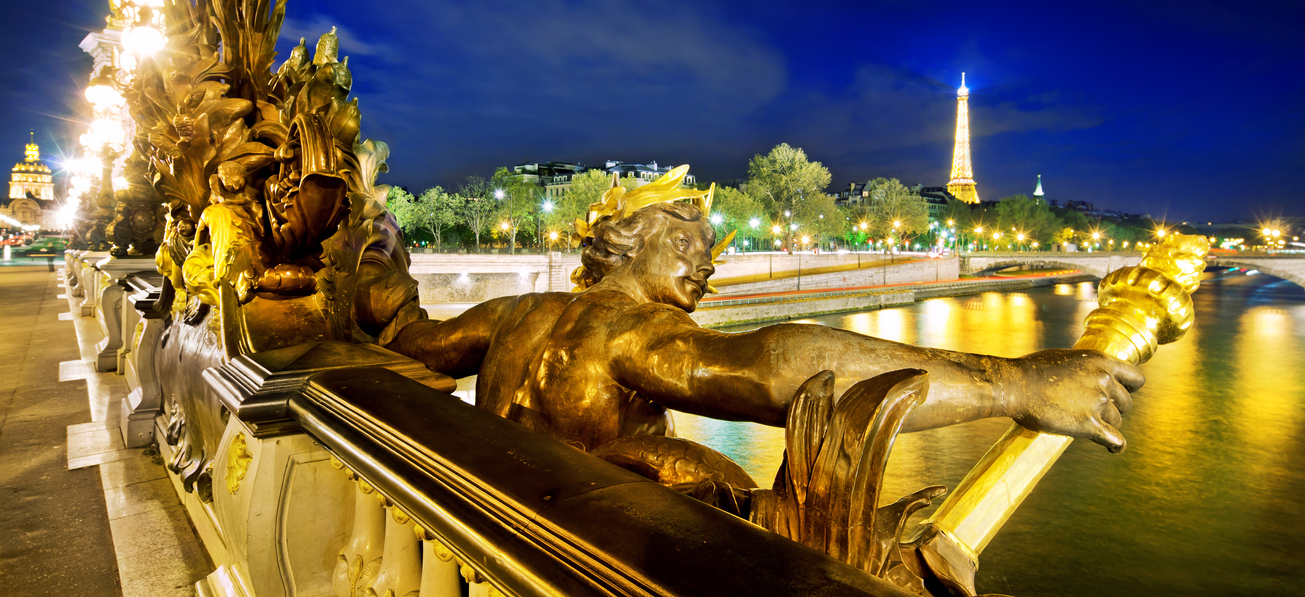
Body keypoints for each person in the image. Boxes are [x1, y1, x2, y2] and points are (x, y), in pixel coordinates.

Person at [387, 167, 1143, 459]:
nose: (706, 261)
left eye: (711, 247)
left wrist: (378, 261)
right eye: (687, 241)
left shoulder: (513, 311)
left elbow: (411, 342)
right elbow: (773, 369)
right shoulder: (633, 331)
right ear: (625, 245)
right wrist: (1010, 383)